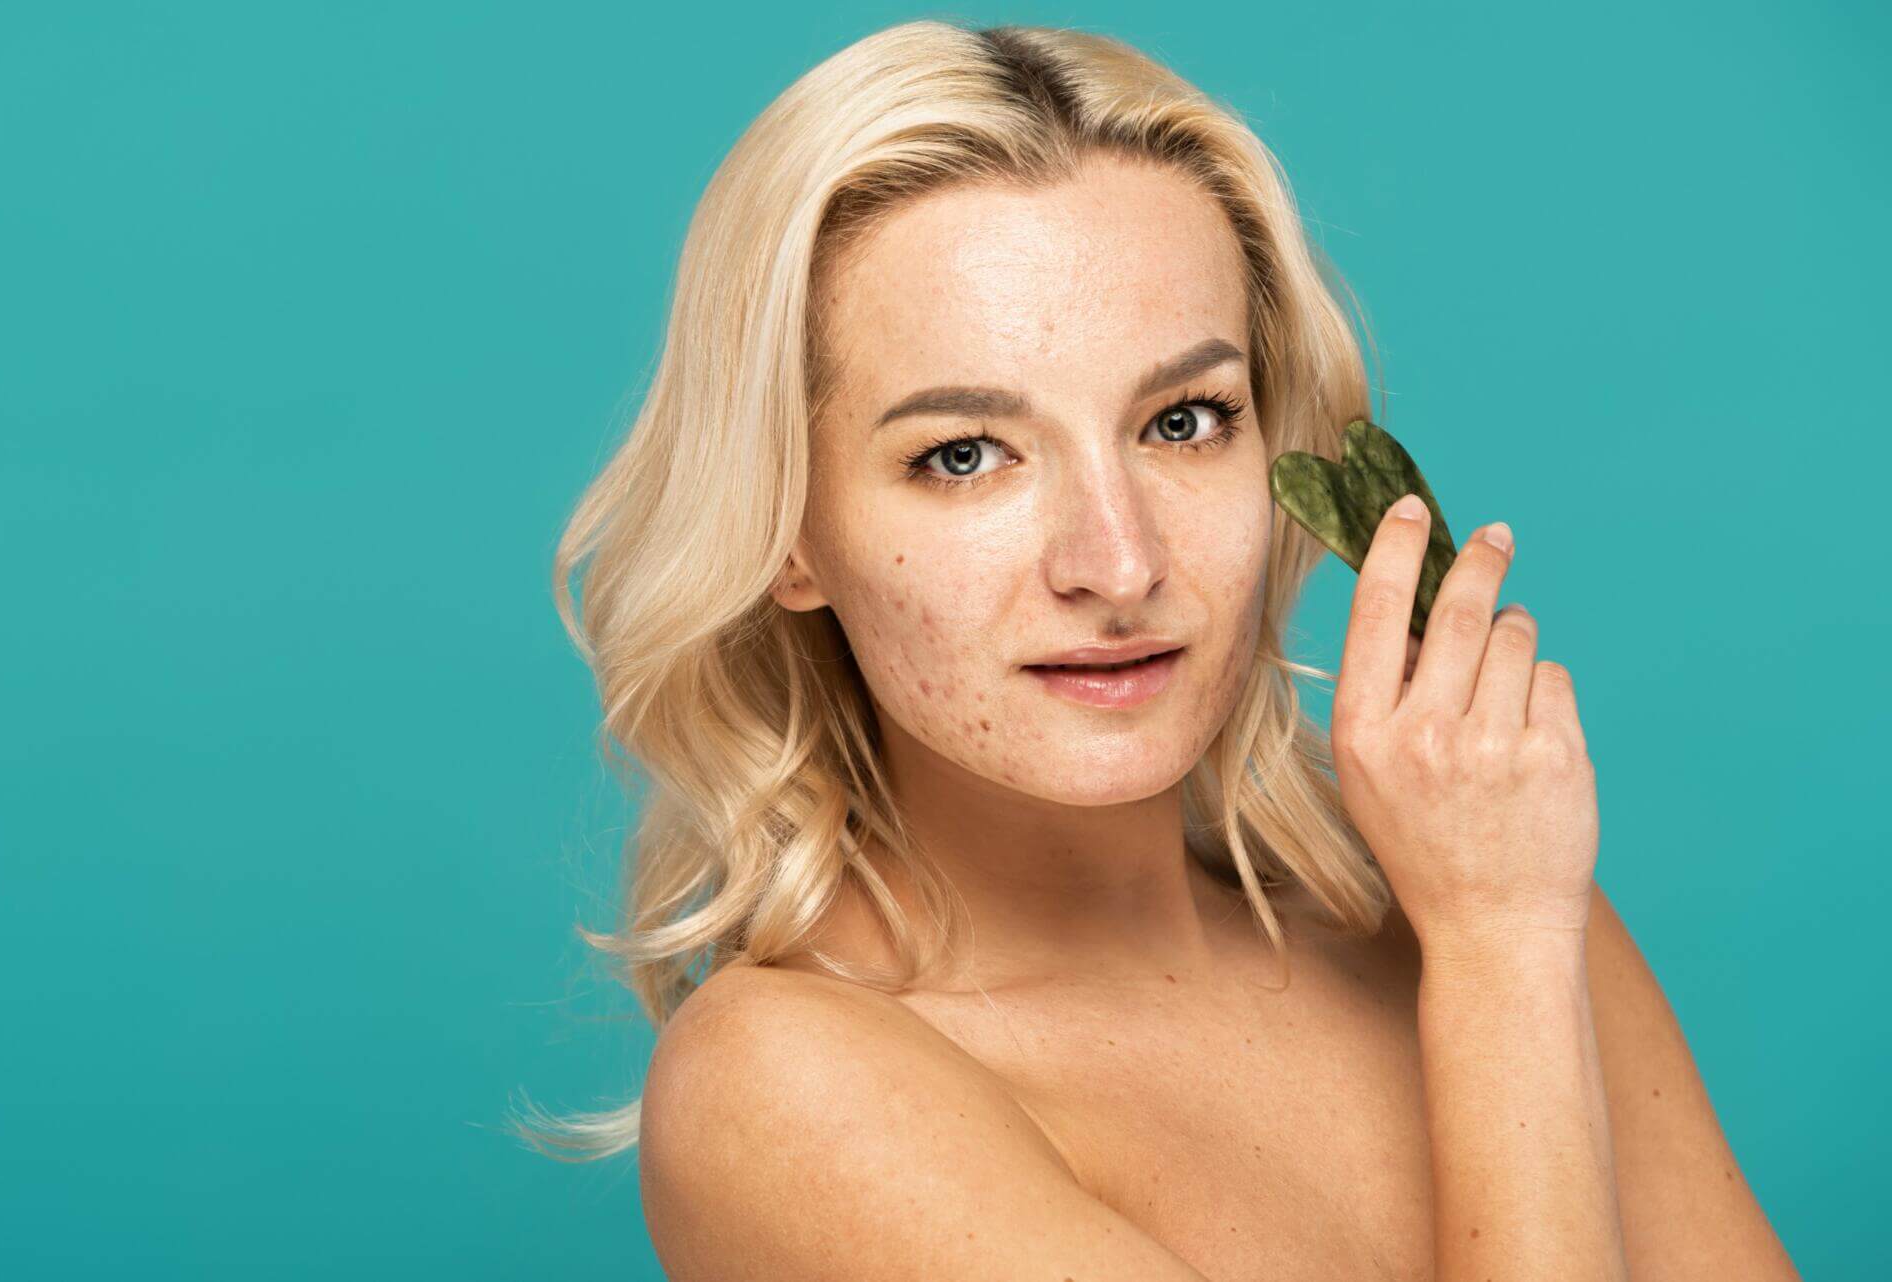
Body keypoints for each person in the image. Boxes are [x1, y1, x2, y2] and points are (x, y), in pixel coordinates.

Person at [513, 19, 1799, 1280]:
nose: (1119, 563)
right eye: (965, 455)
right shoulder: (789, 1089)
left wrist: (1500, 930)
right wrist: (1503, 958)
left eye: (1184, 420)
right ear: (788, 531)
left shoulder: (1475, 891)